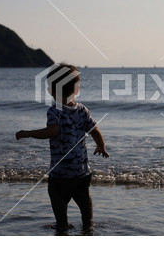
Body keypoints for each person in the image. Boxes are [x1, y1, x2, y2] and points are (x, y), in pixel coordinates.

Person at [16, 63, 109, 233]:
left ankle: (62, 225)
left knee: (58, 200)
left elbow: (52, 131)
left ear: (52, 90)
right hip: (81, 172)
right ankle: (88, 225)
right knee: (84, 201)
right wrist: (101, 146)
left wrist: (28, 133)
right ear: (76, 90)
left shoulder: (55, 110)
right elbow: (94, 129)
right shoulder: (82, 110)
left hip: (60, 174)